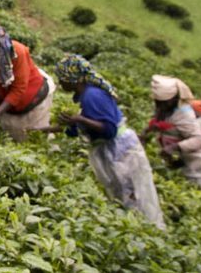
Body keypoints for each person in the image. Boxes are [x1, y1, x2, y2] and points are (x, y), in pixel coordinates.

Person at [53, 54, 165, 229]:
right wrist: (54, 127)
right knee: (121, 194)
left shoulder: (93, 96)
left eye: (62, 79)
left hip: (120, 150)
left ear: (73, 79)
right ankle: (135, 228)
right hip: (109, 151)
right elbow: (75, 130)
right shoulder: (81, 97)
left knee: (134, 194)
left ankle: (149, 230)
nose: (61, 84)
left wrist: (79, 119)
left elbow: (109, 130)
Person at [0, 25, 54, 142]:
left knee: (36, 139)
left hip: (34, 100)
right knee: (14, 140)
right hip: (10, 106)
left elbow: (18, 90)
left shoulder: (17, 52)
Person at [145, 75, 201, 197]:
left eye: (164, 102)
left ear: (174, 99)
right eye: (158, 102)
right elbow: (159, 122)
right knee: (185, 190)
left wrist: (172, 148)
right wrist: (144, 134)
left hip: (197, 159)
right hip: (182, 157)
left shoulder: (185, 114)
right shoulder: (164, 108)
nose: (160, 105)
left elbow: (200, 140)